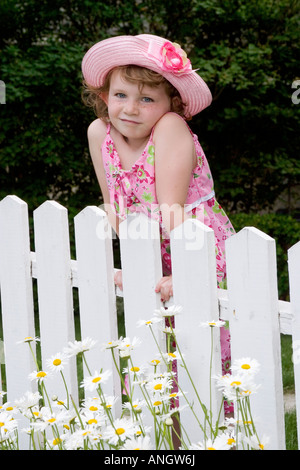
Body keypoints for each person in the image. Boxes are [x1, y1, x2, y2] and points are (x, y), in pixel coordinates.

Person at [81, 34, 235, 414]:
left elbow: (172, 212)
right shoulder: (99, 133)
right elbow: (115, 208)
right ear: (104, 96)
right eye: (120, 95)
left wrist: (186, 273)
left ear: (173, 105)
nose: (131, 109)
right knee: (156, 368)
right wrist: (136, 266)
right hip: (150, 251)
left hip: (197, 250)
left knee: (203, 366)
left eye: (147, 98)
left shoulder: (169, 128)